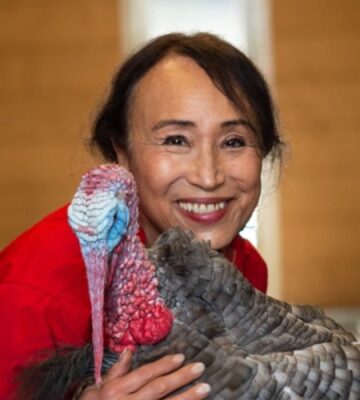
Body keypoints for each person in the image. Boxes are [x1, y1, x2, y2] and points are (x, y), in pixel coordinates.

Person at [0, 32, 283, 399]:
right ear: (121, 152)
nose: (209, 176)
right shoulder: (34, 290)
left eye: (234, 142)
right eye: (175, 140)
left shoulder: (243, 266)